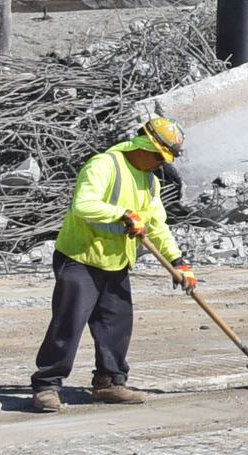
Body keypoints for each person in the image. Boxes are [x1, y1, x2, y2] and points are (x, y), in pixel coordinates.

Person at [32, 115, 189, 410]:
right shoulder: (104, 165)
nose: (160, 163)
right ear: (143, 145)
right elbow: (83, 204)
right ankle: (47, 385)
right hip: (80, 257)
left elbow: (157, 225)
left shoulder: (149, 181)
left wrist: (178, 262)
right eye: (158, 156)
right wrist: (123, 214)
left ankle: (109, 382)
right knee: (69, 323)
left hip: (115, 261)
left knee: (116, 324)